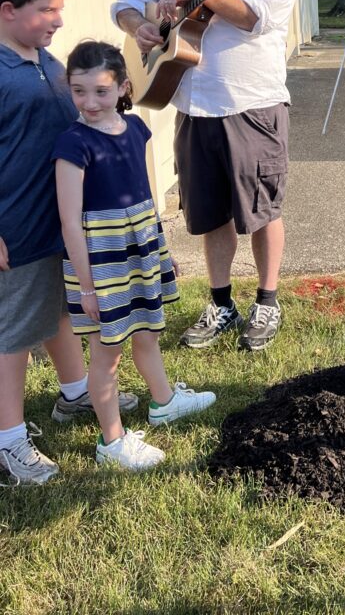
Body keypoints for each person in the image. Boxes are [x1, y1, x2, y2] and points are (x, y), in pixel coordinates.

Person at [112, 0, 298, 353]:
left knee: (261, 209)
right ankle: (221, 302)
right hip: (194, 107)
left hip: (253, 105)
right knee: (209, 212)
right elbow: (126, 3)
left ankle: (267, 300)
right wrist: (140, 28)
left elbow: (259, 19)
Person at [0, 0, 138, 485]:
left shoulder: (43, 58)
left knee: (56, 310)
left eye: (60, 9)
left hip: (55, 223)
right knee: (13, 335)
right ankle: (9, 443)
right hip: (15, 228)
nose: (58, 19)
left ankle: (76, 393)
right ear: (8, 10)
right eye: (46, 10)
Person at [53, 41, 216, 470]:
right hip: (100, 260)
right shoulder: (72, 144)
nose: (89, 102)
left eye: (101, 91)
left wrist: (159, 249)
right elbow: (70, 222)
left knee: (146, 333)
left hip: (138, 248)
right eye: (78, 91)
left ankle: (163, 402)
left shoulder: (137, 130)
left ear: (124, 86)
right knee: (108, 352)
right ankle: (112, 442)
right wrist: (87, 287)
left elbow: (143, 196)